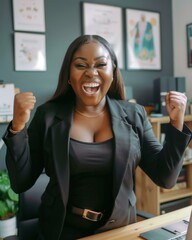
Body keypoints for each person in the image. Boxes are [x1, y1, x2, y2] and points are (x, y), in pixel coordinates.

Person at [3, 35, 191, 240]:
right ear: (68, 74)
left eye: (101, 64)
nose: (91, 73)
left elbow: (165, 177)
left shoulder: (134, 115)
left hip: (118, 230)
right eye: (80, 65)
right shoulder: (47, 116)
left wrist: (176, 123)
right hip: (60, 231)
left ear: (112, 71)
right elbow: (21, 183)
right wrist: (18, 126)